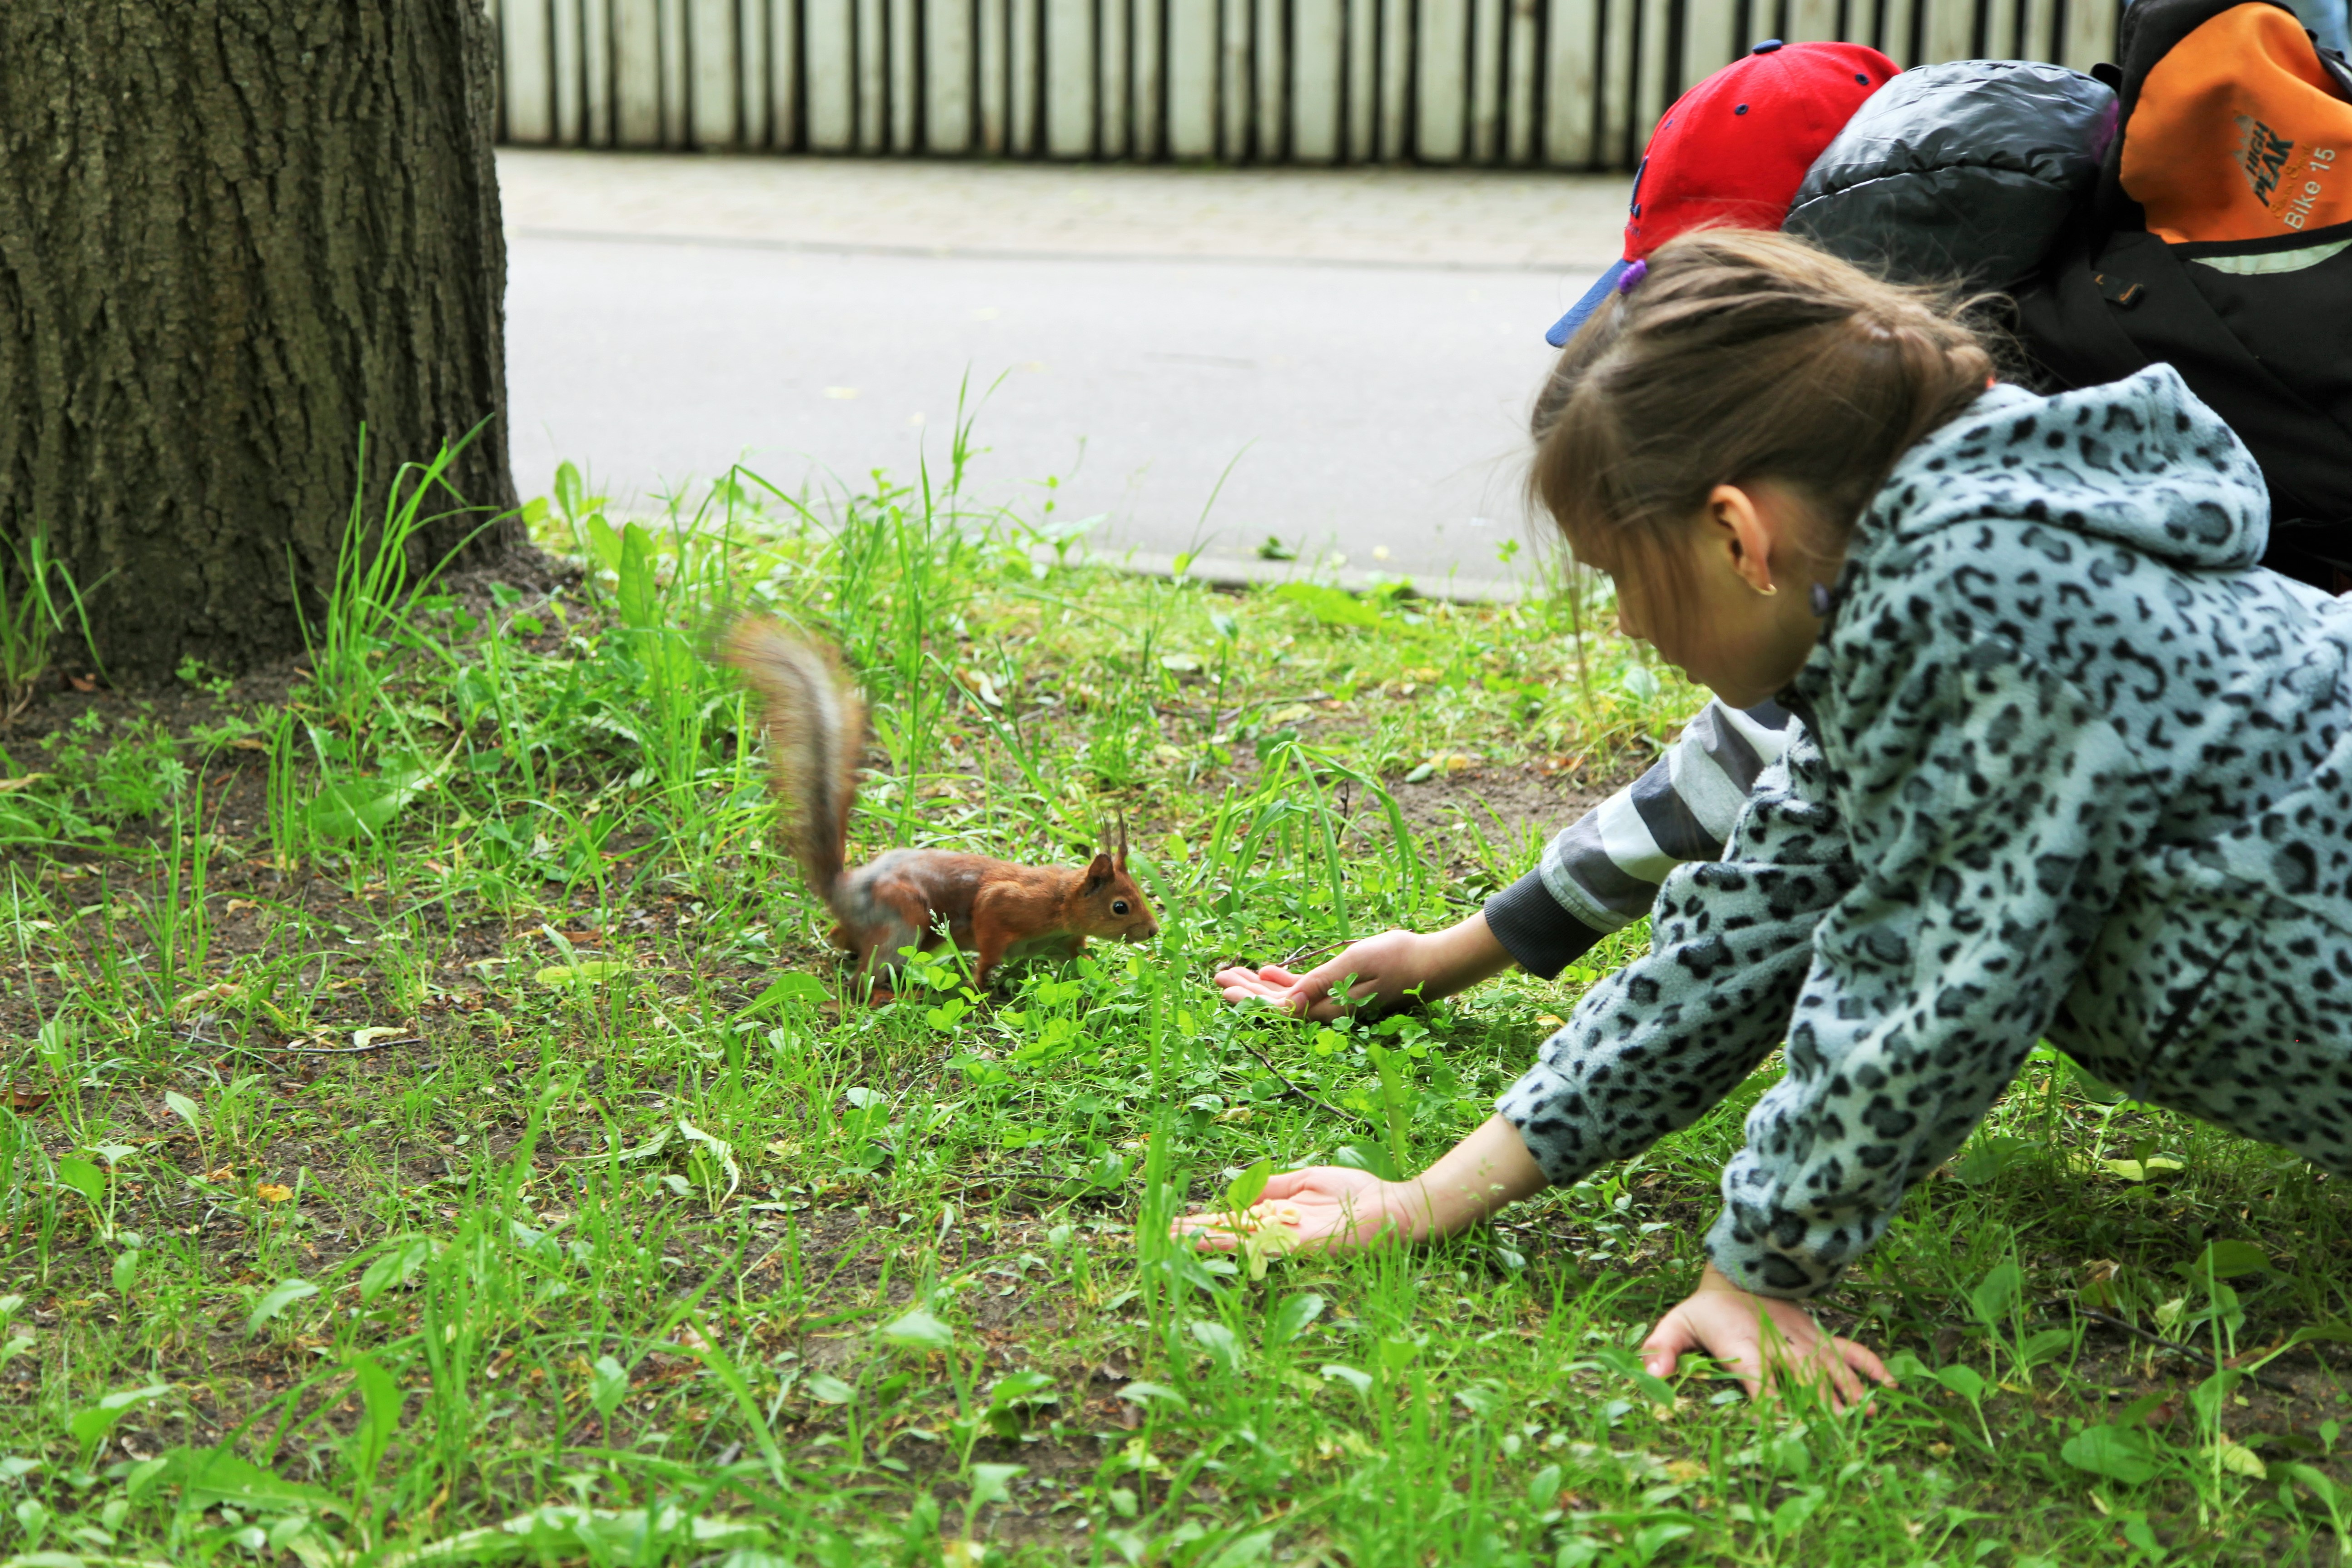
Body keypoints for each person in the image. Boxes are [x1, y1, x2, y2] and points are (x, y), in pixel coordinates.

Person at [1192, 229, 2352, 1405]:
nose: (1630, 629)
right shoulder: (1897, 610)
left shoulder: (1980, 613)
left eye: (1617, 577)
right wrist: (1426, 1194)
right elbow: (1740, 929)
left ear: (1737, 538)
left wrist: (1757, 1268)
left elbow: (1936, 982)